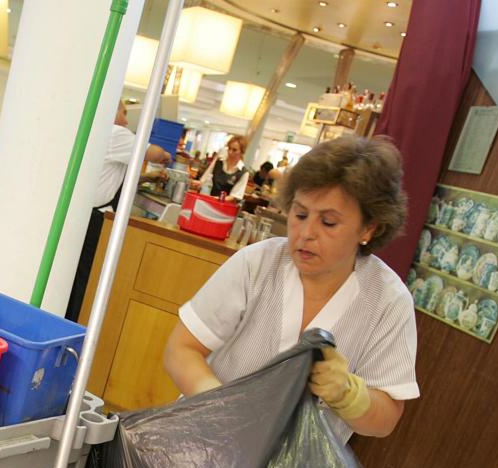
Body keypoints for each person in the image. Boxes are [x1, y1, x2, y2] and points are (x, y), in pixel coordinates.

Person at [163, 135, 417, 442]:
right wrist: (225, 413)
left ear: (368, 228)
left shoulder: (388, 301)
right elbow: (181, 350)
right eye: (299, 214)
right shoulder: (257, 264)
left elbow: (385, 420)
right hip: (205, 439)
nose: (306, 233)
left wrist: (350, 396)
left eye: (329, 222)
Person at [64, 99, 171, 321]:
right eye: (123, 112)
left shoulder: (101, 133)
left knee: (76, 276)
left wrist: (147, 177)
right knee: (84, 279)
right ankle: (73, 324)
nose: (126, 119)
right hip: (95, 219)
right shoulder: (115, 133)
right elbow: (155, 153)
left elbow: (112, 174)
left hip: (84, 214)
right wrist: (167, 156)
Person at [196, 134, 249, 199]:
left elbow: (234, 196)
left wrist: (217, 199)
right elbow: (206, 177)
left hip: (223, 206)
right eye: (229, 148)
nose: (230, 152)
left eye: (234, 150)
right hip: (207, 199)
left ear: (242, 152)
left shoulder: (243, 173)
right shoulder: (219, 162)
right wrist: (199, 183)